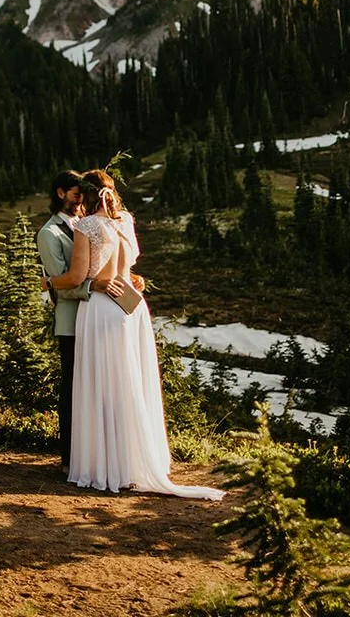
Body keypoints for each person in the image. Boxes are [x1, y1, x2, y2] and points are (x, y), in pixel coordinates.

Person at [43, 169, 224, 500]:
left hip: (102, 308)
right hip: (133, 304)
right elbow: (129, 267)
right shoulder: (124, 220)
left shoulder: (87, 226)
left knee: (103, 386)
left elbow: (76, 277)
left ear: (85, 195)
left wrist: (48, 283)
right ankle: (133, 461)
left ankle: (106, 464)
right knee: (130, 382)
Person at [35, 169, 92, 473]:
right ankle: (69, 457)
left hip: (94, 319)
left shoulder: (87, 225)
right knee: (72, 389)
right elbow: (60, 283)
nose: (81, 199)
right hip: (71, 321)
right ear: (60, 193)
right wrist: (96, 289)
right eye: (75, 193)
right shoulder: (49, 233)